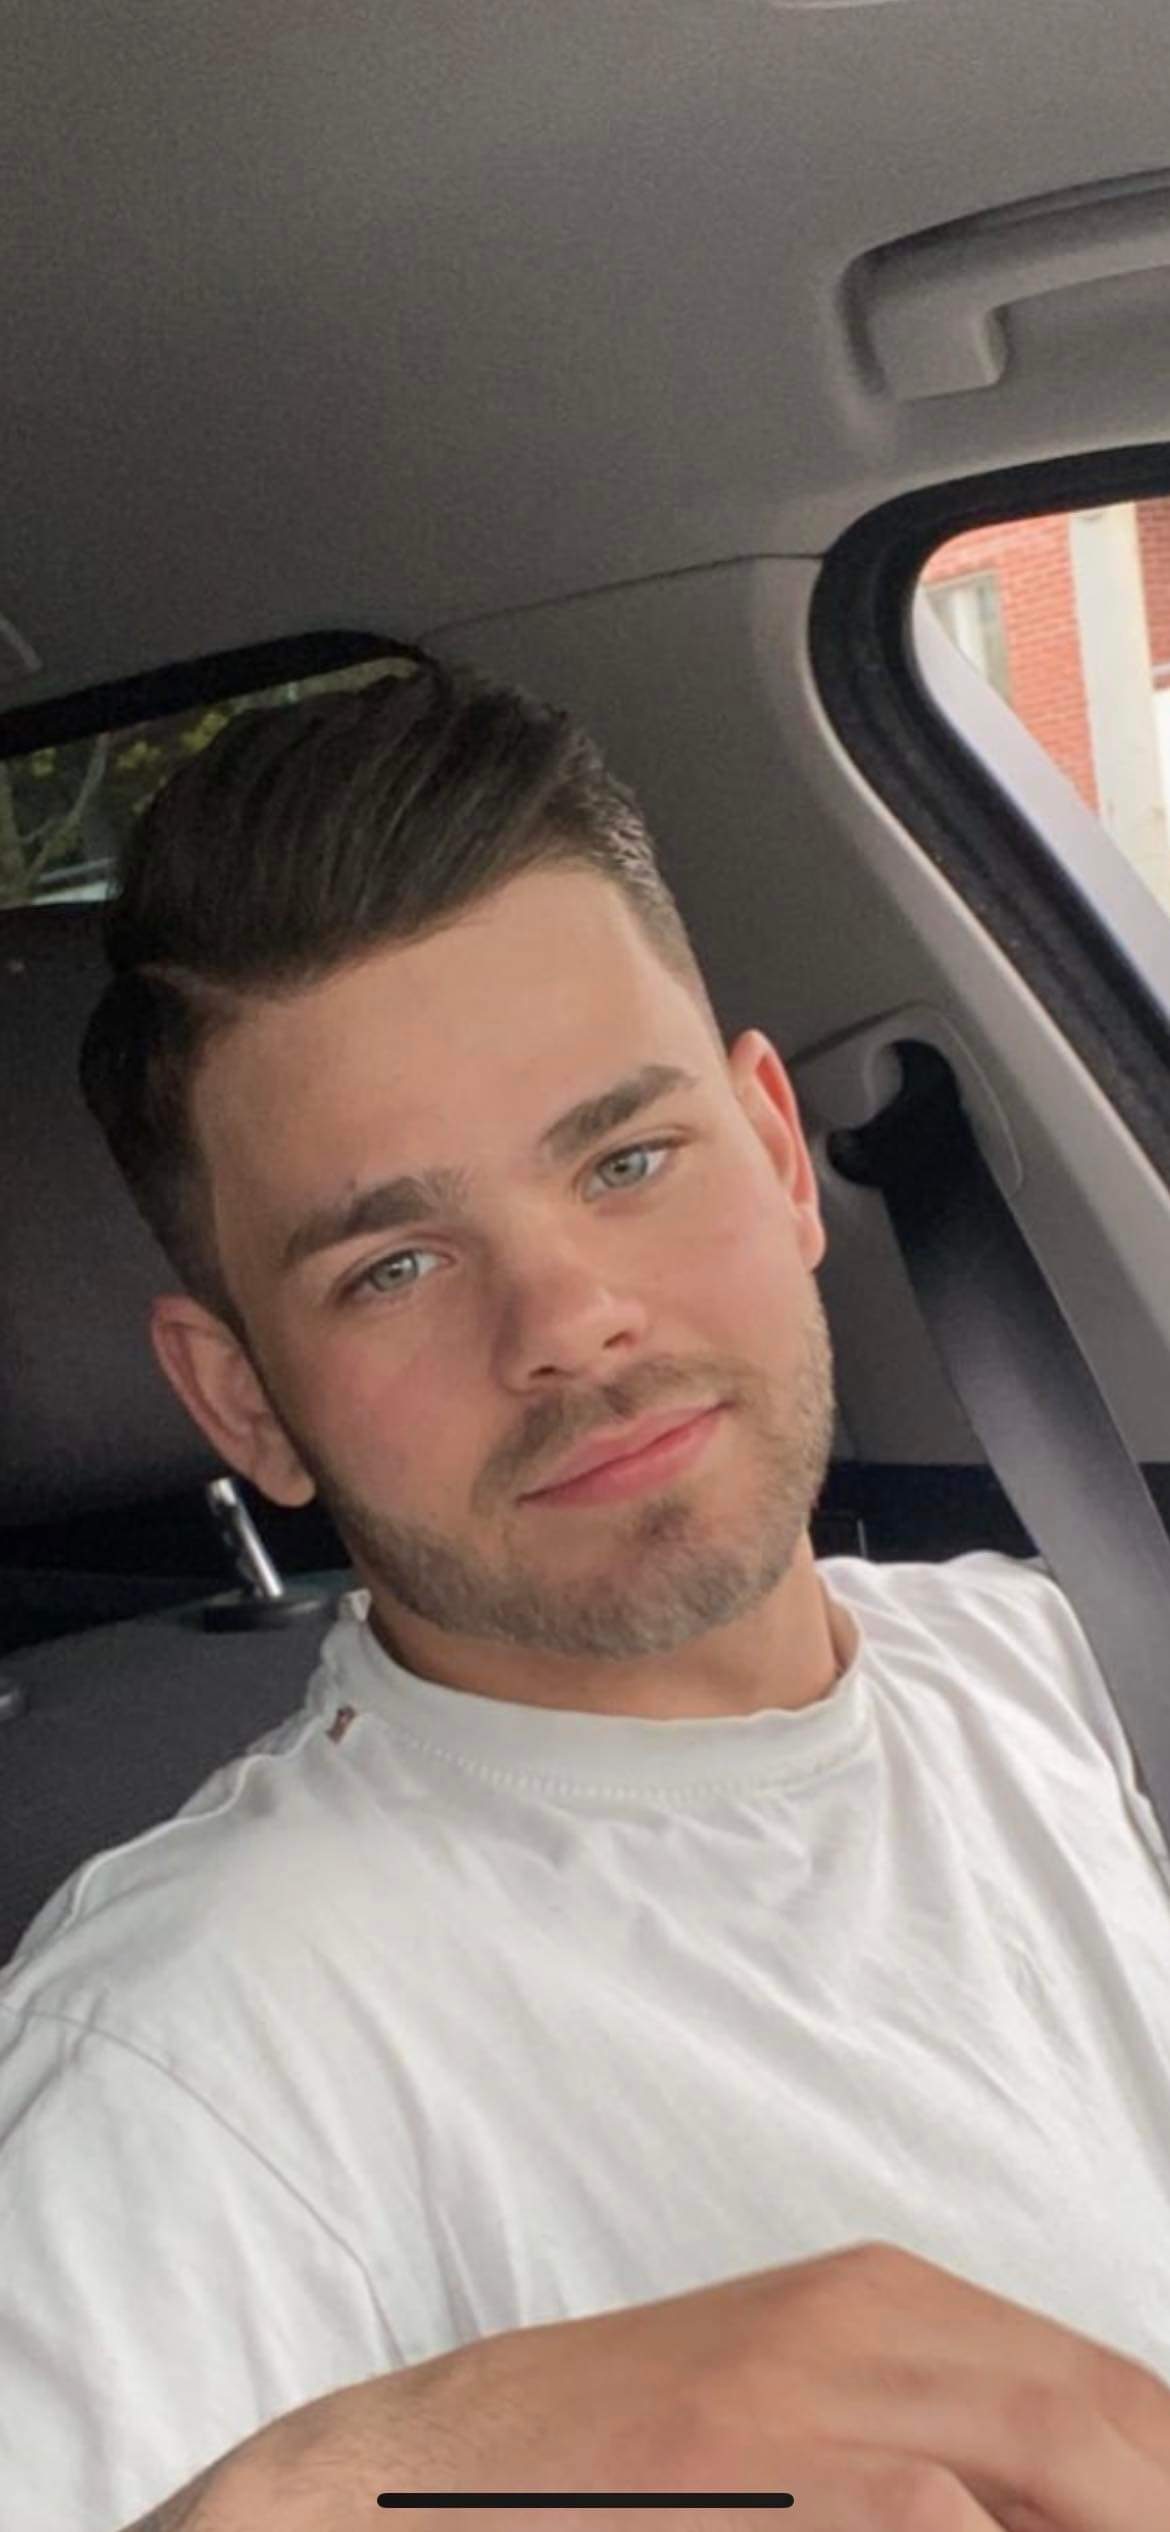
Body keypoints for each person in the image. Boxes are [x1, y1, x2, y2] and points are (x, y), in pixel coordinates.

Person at [2, 654, 1170, 2532]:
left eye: (626, 1159)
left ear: (777, 1154)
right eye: (391, 1266)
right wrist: (343, 2481)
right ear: (243, 1402)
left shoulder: (1066, 1654)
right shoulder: (184, 2056)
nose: (566, 1321)